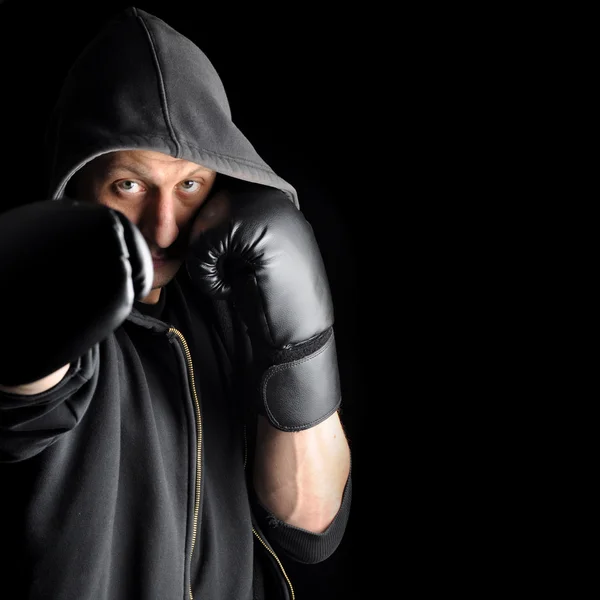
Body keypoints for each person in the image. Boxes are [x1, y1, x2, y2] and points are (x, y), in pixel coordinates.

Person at [0, 6, 352, 600]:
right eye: (129, 185)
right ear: (77, 181)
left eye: (188, 185)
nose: (163, 229)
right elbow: (26, 406)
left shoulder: (233, 308)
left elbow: (309, 526)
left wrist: (302, 338)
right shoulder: (61, 321)